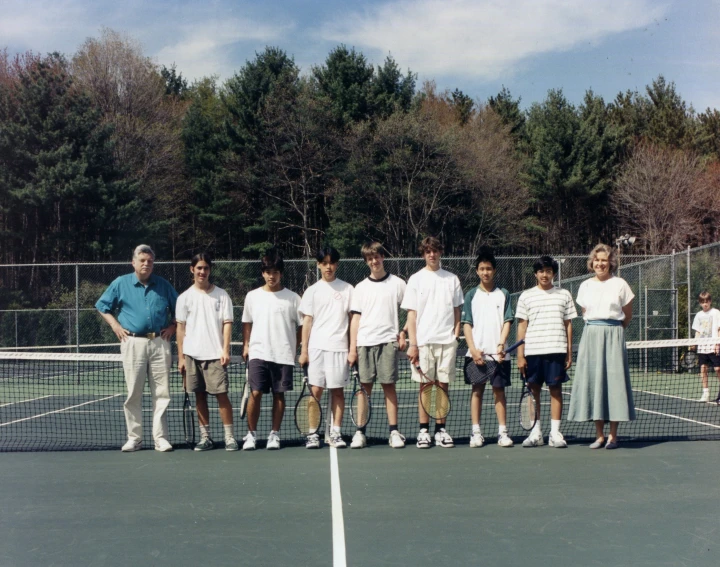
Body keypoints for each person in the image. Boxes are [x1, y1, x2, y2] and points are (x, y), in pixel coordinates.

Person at [95, 244, 178, 452]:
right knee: (133, 392)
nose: (146, 264)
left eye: (150, 261)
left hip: (161, 343)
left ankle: (160, 438)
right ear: (133, 262)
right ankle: (135, 438)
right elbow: (102, 306)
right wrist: (115, 326)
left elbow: (182, 309)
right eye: (142, 261)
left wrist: (173, 326)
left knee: (162, 392)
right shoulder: (120, 283)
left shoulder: (163, 285)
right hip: (132, 343)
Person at [567, 244, 635, 449]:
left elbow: (627, 314)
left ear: (610, 262)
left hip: (614, 334)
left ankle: (613, 436)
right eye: (597, 260)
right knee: (594, 383)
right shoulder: (585, 285)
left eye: (604, 260)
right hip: (591, 335)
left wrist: (614, 331)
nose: (600, 263)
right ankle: (599, 436)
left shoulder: (621, 284)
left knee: (614, 384)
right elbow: (586, 311)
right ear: (592, 262)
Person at [401, 236, 464, 449]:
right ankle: (424, 431)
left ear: (440, 252)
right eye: (428, 251)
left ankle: (441, 430)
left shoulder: (452, 279)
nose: (432, 254)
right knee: (425, 386)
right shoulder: (415, 279)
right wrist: (413, 343)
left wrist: (455, 335)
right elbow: (412, 314)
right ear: (423, 254)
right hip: (423, 342)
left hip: (447, 341)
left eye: (435, 250)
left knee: (443, 386)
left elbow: (457, 310)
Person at [241, 249, 302, 450]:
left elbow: (302, 325)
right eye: (268, 272)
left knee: (279, 395)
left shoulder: (293, 298)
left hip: (283, 354)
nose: (271, 276)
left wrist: (295, 345)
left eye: (275, 272)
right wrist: (247, 345)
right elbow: (247, 322)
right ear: (262, 273)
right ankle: (251, 434)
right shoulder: (252, 296)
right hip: (258, 353)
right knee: (256, 393)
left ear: (281, 273)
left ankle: (274, 435)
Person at [348, 242, 407, 449]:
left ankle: (394, 432)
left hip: (388, 343)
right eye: (370, 258)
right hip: (364, 344)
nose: (374, 261)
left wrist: (403, 333)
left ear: (383, 257)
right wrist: (352, 349)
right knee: (364, 390)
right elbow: (355, 319)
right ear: (366, 261)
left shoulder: (398, 284)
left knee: (389, 388)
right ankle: (360, 432)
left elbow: (411, 311)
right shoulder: (360, 288)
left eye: (377, 257)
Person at [176, 253, 237, 451]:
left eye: (206, 268)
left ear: (210, 270)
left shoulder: (222, 295)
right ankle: (206, 438)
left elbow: (227, 324)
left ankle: (229, 437)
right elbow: (181, 329)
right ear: (192, 269)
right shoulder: (184, 297)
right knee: (199, 397)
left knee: (222, 396)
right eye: (199, 268)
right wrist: (181, 357)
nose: (202, 272)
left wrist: (225, 350)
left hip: (215, 356)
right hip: (192, 356)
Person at [516, 255, 577, 448]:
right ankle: (536, 433)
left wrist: (569, 352)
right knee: (533, 393)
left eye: (549, 271)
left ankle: (555, 434)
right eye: (541, 271)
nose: (545, 275)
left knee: (556, 391)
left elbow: (568, 325)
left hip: (556, 350)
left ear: (554, 273)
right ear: (536, 273)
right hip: (533, 352)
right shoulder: (526, 295)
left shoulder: (564, 294)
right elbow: (522, 326)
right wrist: (520, 354)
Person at [298, 246, 354, 449]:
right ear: (318, 265)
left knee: (338, 392)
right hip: (316, 350)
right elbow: (307, 323)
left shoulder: (348, 289)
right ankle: (313, 433)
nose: (328, 267)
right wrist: (304, 351)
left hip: (339, 348)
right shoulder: (311, 291)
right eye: (324, 263)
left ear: (336, 264)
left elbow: (352, 320)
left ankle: (336, 433)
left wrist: (352, 348)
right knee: (315, 392)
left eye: (331, 262)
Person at [461, 246, 514, 448]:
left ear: (495, 270)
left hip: (499, 354)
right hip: (477, 354)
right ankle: (476, 433)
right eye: (482, 268)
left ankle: (503, 433)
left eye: (489, 268)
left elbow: (507, 321)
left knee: (499, 392)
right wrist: (473, 350)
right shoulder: (471, 295)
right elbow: (467, 324)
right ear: (477, 271)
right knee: (477, 391)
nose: (485, 272)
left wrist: (501, 344)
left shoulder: (504, 293)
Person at [689, 291, 720, 403]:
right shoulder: (698, 315)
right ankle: (705, 393)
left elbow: (719, 329)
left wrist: (718, 344)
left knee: (718, 369)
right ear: (700, 303)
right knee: (703, 369)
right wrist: (694, 343)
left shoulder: (716, 313)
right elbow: (698, 331)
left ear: (710, 301)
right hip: (702, 347)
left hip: (714, 345)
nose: (705, 304)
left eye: (707, 301)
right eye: (703, 302)